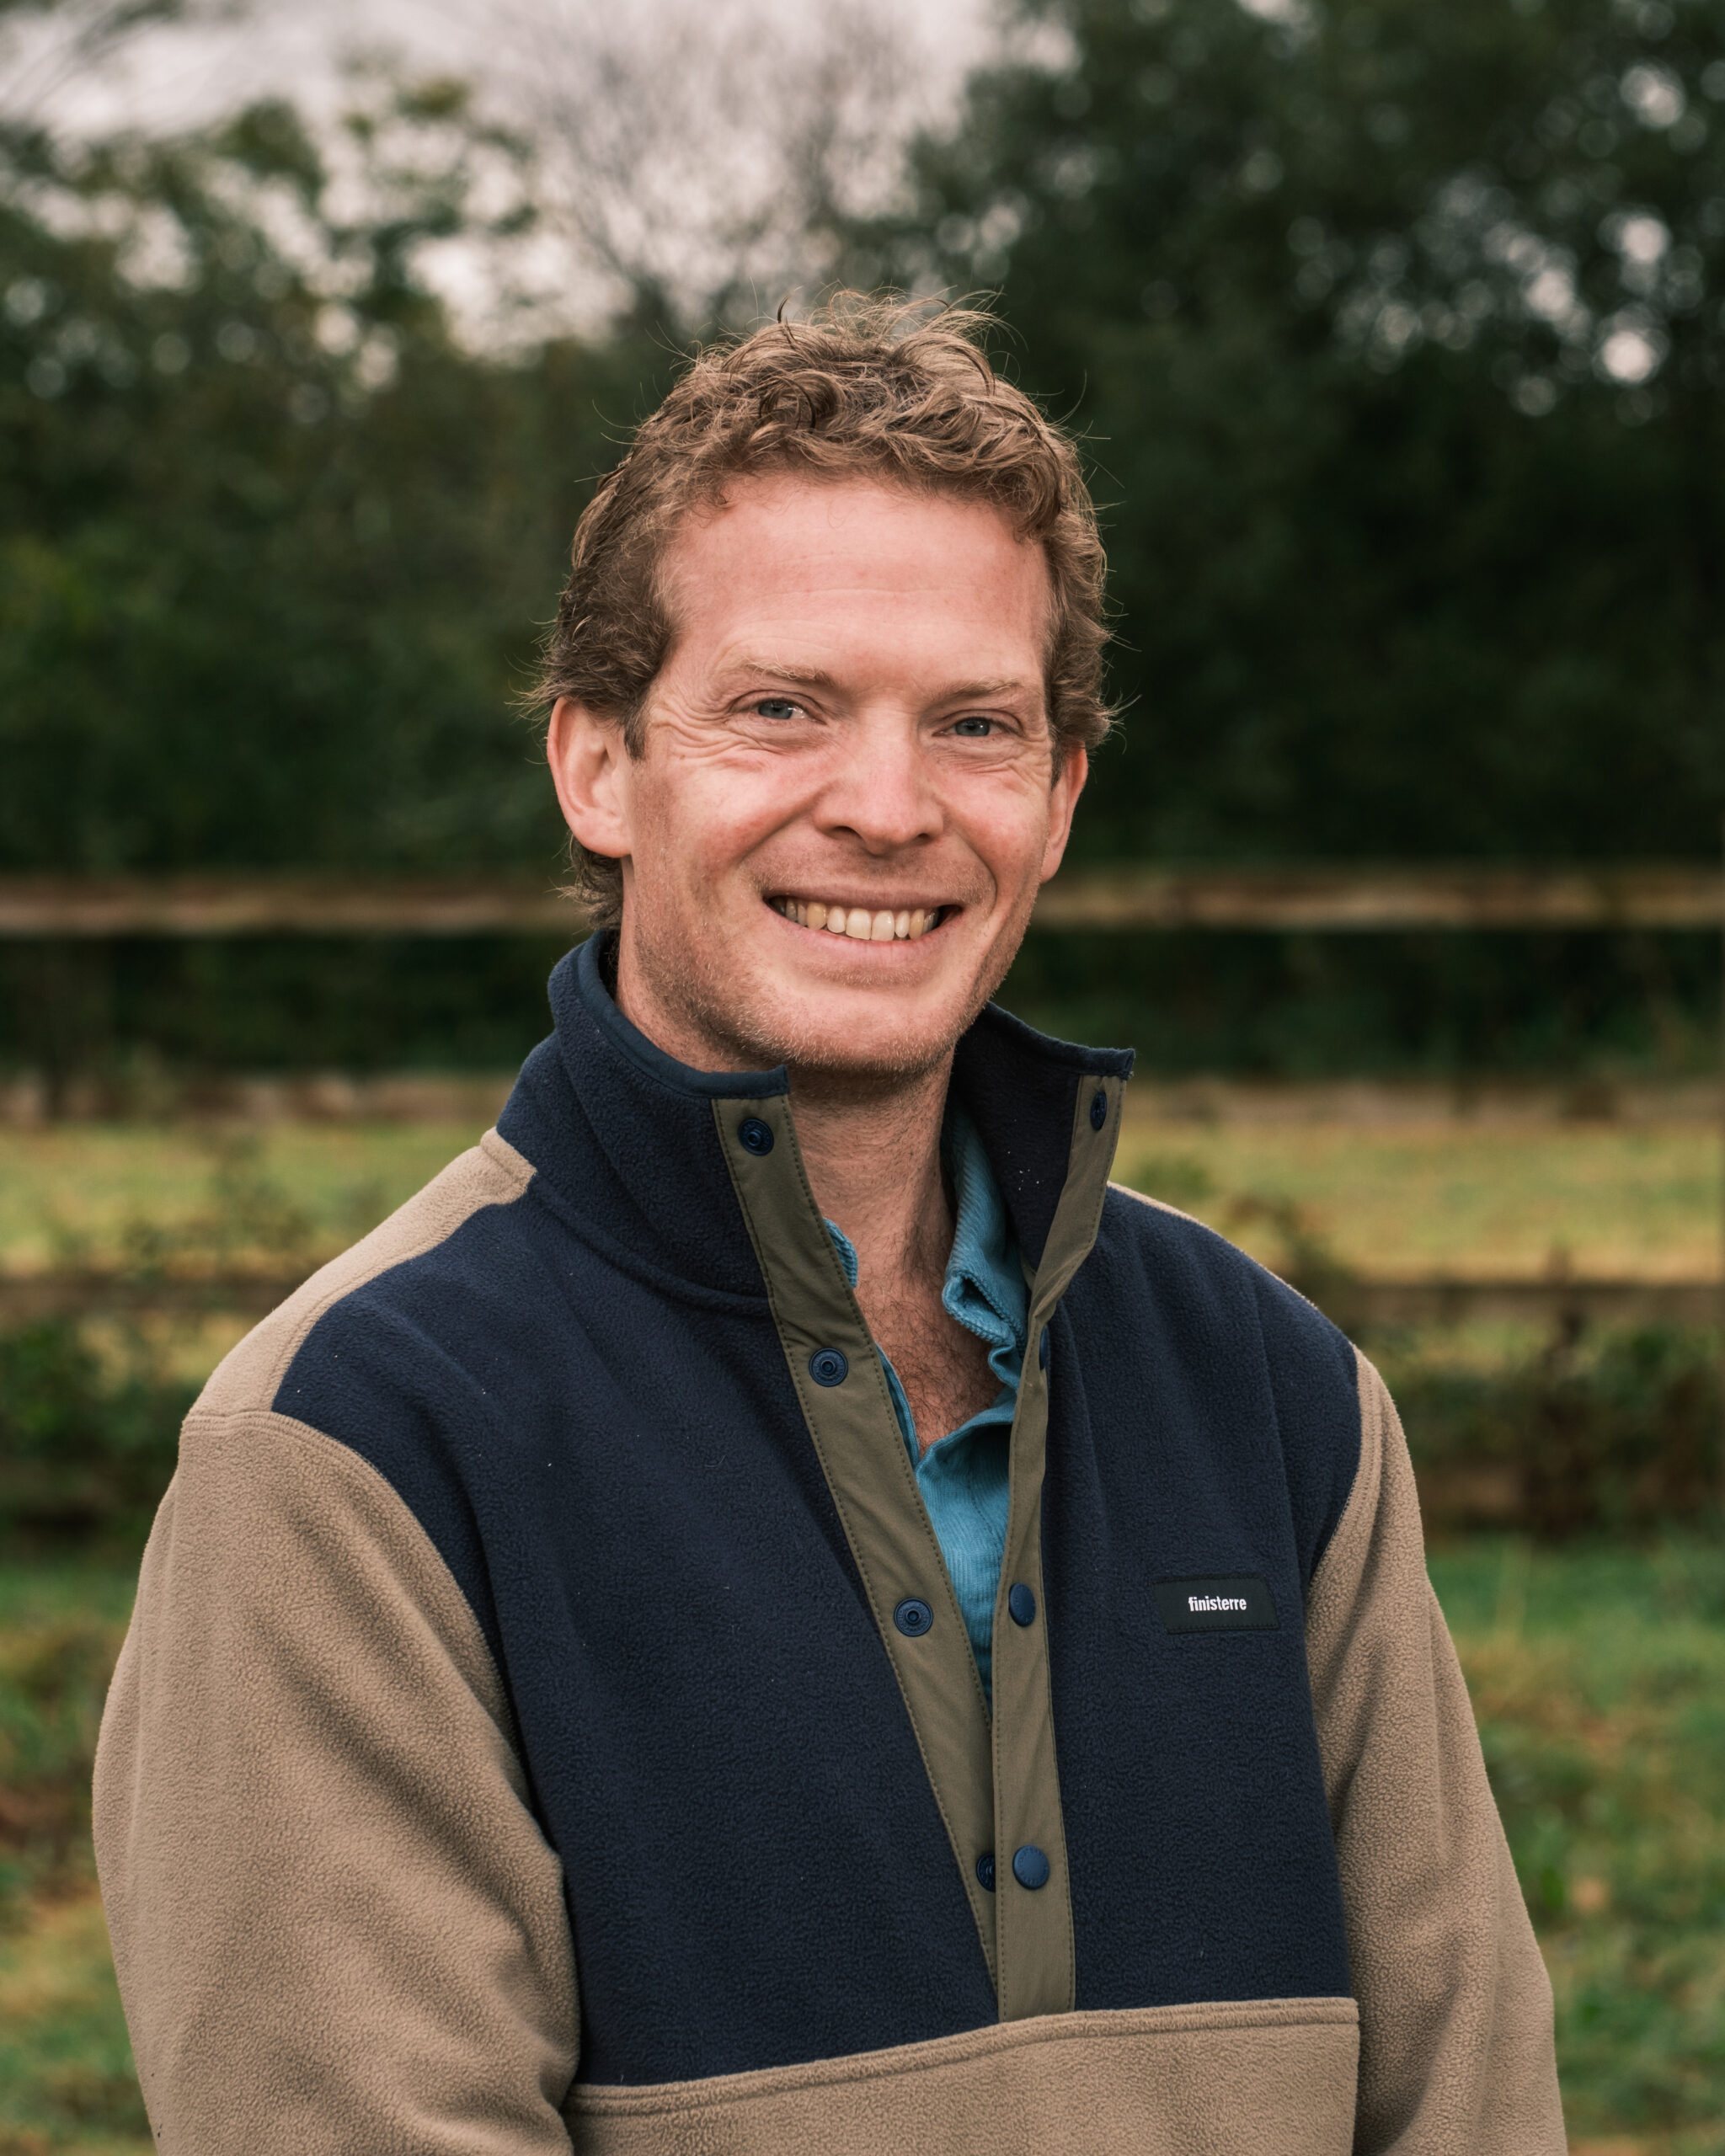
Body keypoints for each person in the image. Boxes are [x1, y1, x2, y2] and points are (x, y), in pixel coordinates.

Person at [94, 296, 1564, 2154]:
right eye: (781, 708)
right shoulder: (348, 1451)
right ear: (599, 767)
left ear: (1059, 799)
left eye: (974, 725)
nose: (886, 808)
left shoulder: (1281, 1397)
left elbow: (1472, 2107)